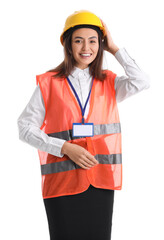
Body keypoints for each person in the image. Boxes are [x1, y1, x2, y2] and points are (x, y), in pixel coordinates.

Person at [17, 10, 150, 240]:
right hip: (62, 182)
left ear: (101, 44)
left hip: (100, 179)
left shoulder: (109, 82)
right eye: (78, 40)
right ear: (68, 45)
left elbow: (142, 81)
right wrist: (64, 147)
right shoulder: (48, 83)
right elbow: (25, 127)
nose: (86, 47)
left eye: (93, 41)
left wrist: (115, 48)